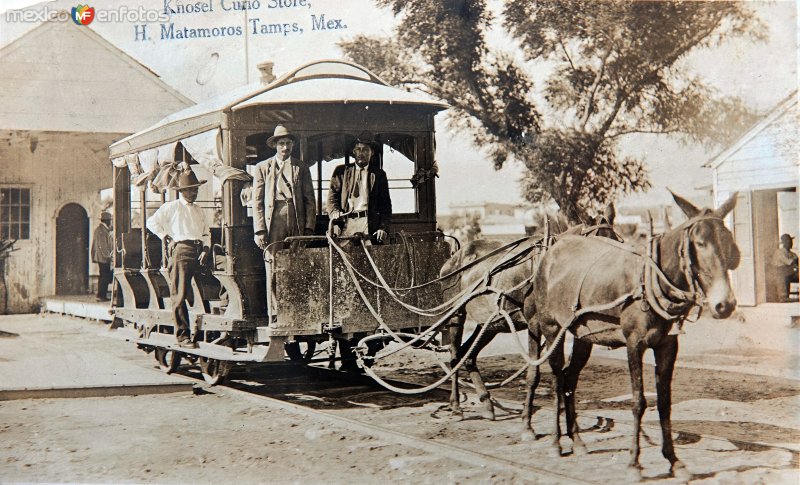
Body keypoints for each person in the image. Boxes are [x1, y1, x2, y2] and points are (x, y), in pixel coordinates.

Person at [146, 168, 210, 348]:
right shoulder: (171, 207)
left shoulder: (199, 210)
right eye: (189, 189)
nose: (193, 193)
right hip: (182, 251)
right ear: (181, 191)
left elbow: (206, 232)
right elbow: (151, 222)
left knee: (222, 275)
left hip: (200, 251)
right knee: (180, 293)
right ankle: (182, 335)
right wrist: (166, 236)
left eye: (195, 189)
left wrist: (206, 248)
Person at [252, 125, 317, 251]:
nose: (285, 147)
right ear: (275, 145)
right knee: (273, 257)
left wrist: (309, 228)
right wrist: (259, 230)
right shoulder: (262, 167)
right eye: (281, 143)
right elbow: (257, 202)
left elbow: (310, 200)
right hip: (274, 217)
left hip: (297, 217)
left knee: (297, 259)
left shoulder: (302, 168)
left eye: (288, 143)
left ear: (293, 144)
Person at [327, 131, 392, 244]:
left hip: (368, 224)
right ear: (353, 151)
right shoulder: (341, 172)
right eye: (358, 149)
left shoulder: (379, 175)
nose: (361, 153)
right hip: (346, 224)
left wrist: (383, 228)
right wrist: (335, 215)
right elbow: (332, 200)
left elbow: (385, 206)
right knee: (343, 258)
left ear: (372, 153)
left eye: (366, 149)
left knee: (369, 258)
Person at [91, 211, 114, 302]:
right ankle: (101, 295)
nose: (111, 222)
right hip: (103, 258)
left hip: (102, 257)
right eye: (110, 221)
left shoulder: (102, 229)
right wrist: (109, 256)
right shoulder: (101, 231)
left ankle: (101, 295)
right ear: (107, 221)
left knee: (103, 275)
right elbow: (103, 246)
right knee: (104, 276)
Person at [770, 233, 798, 302]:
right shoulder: (780, 252)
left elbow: (796, 261)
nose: (791, 243)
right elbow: (790, 262)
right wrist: (796, 261)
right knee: (782, 274)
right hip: (779, 272)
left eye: (791, 241)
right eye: (788, 241)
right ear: (784, 243)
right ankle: (784, 297)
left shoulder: (791, 253)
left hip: (788, 272)